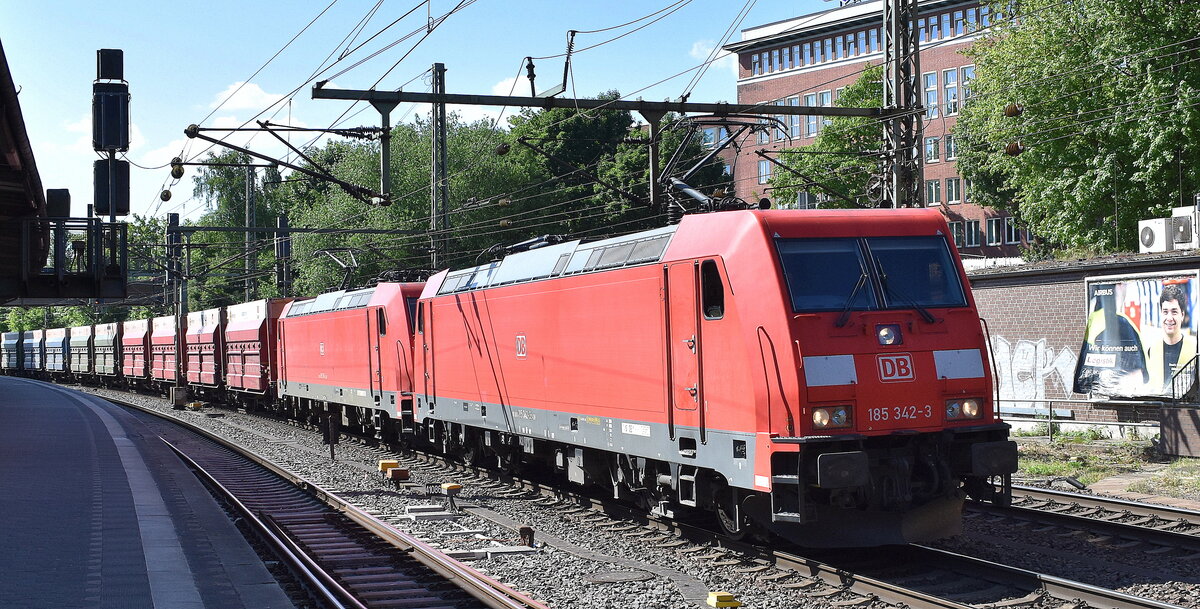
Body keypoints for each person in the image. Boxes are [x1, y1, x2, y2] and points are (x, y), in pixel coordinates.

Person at [1144, 284, 1197, 395]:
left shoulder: (1196, 348)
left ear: (1182, 315)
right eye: (1165, 312)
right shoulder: (1151, 350)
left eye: (1174, 312)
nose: (1169, 318)